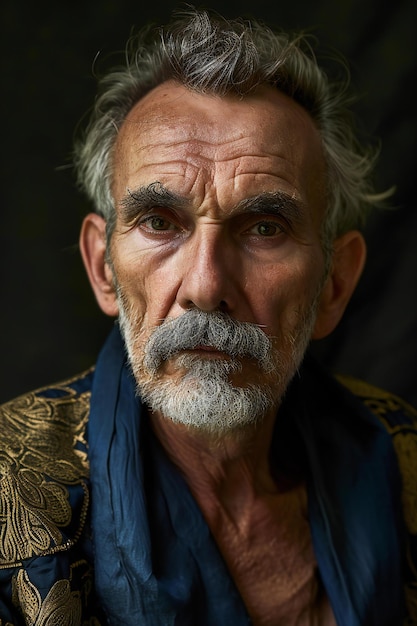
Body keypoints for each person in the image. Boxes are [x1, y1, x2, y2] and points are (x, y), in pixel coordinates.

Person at [0, 8, 416, 626]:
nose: (205, 285)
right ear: (103, 268)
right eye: (159, 223)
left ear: (334, 284)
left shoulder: (404, 460)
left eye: (266, 228)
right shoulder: (8, 490)